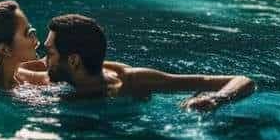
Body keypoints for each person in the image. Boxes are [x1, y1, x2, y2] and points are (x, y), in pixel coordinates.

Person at [33, 14, 254, 109]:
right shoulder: (54, 82)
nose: (44, 60)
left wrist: (217, 99)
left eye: (49, 52)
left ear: (73, 60)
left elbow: (242, 80)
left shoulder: (132, 82)